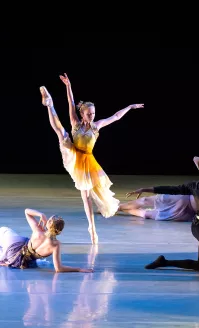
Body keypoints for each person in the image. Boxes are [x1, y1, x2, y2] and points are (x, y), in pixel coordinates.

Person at [40, 73, 144, 244]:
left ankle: (92, 228)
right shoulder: (75, 122)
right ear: (82, 114)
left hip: (88, 162)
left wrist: (130, 107)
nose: (92, 116)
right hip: (74, 154)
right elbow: (71, 103)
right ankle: (49, 104)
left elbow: (116, 116)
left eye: (93, 113)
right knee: (61, 133)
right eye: (89, 114)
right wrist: (68, 86)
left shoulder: (97, 126)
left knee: (86, 197)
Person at [0, 208, 94, 273]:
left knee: (3, 230)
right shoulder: (55, 245)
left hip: (16, 247)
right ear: (60, 231)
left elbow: (26, 211)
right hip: (22, 261)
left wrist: (41, 214)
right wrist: (79, 269)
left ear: (48, 224)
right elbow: (58, 268)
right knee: (2, 252)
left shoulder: (38, 231)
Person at [117, 161, 199, 222]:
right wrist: (146, 189)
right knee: (146, 200)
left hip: (186, 213)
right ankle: (116, 208)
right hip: (181, 198)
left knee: (147, 214)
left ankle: (117, 208)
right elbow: (196, 159)